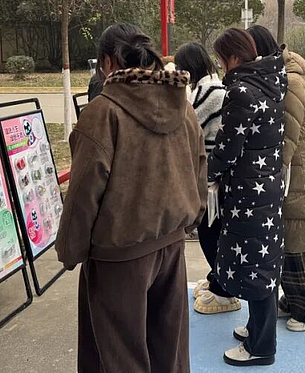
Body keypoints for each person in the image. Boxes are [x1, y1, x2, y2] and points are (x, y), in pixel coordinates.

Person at [56, 23, 207, 373]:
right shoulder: (182, 106)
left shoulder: (103, 112)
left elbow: (83, 193)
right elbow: (199, 166)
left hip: (118, 255)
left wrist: (70, 249)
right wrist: (190, 218)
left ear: (108, 61)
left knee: (119, 356)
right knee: (169, 351)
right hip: (171, 247)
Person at [208, 28, 286, 367]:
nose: (221, 66)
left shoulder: (241, 91)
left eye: (221, 60)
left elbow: (227, 149)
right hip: (267, 188)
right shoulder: (272, 82)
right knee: (262, 262)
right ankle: (256, 329)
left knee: (255, 267)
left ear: (234, 58)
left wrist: (204, 174)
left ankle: (261, 347)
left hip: (248, 195)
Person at [247, 25, 305, 333]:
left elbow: (287, 133)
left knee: (297, 245)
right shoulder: (276, 75)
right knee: (285, 243)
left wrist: (268, 172)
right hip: (290, 171)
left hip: (297, 172)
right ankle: (296, 299)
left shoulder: (291, 80)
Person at [174, 42, 239, 314]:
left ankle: (224, 291)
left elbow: (188, 127)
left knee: (210, 233)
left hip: (211, 177)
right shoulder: (209, 87)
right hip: (212, 174)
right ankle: (218, 278)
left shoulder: (209, 92)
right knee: (213, 231)